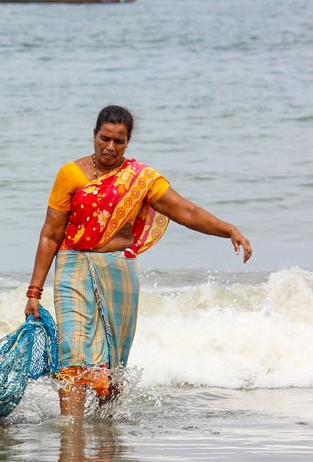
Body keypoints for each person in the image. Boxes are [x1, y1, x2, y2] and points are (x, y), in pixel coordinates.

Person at [25, 105, 252, 417]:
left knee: (115, 362)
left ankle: (106, 432)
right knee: (73, 353)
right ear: (93, 135)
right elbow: (50, 234)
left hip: (119, 270)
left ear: (127, 142)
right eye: (105, 138)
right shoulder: (70, 175)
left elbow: (185, 211)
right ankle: (71, 431)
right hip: (72, 266)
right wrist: (34, 291)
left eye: (119, 141)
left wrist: (228, 229)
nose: (110, 147)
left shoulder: (140, 178)